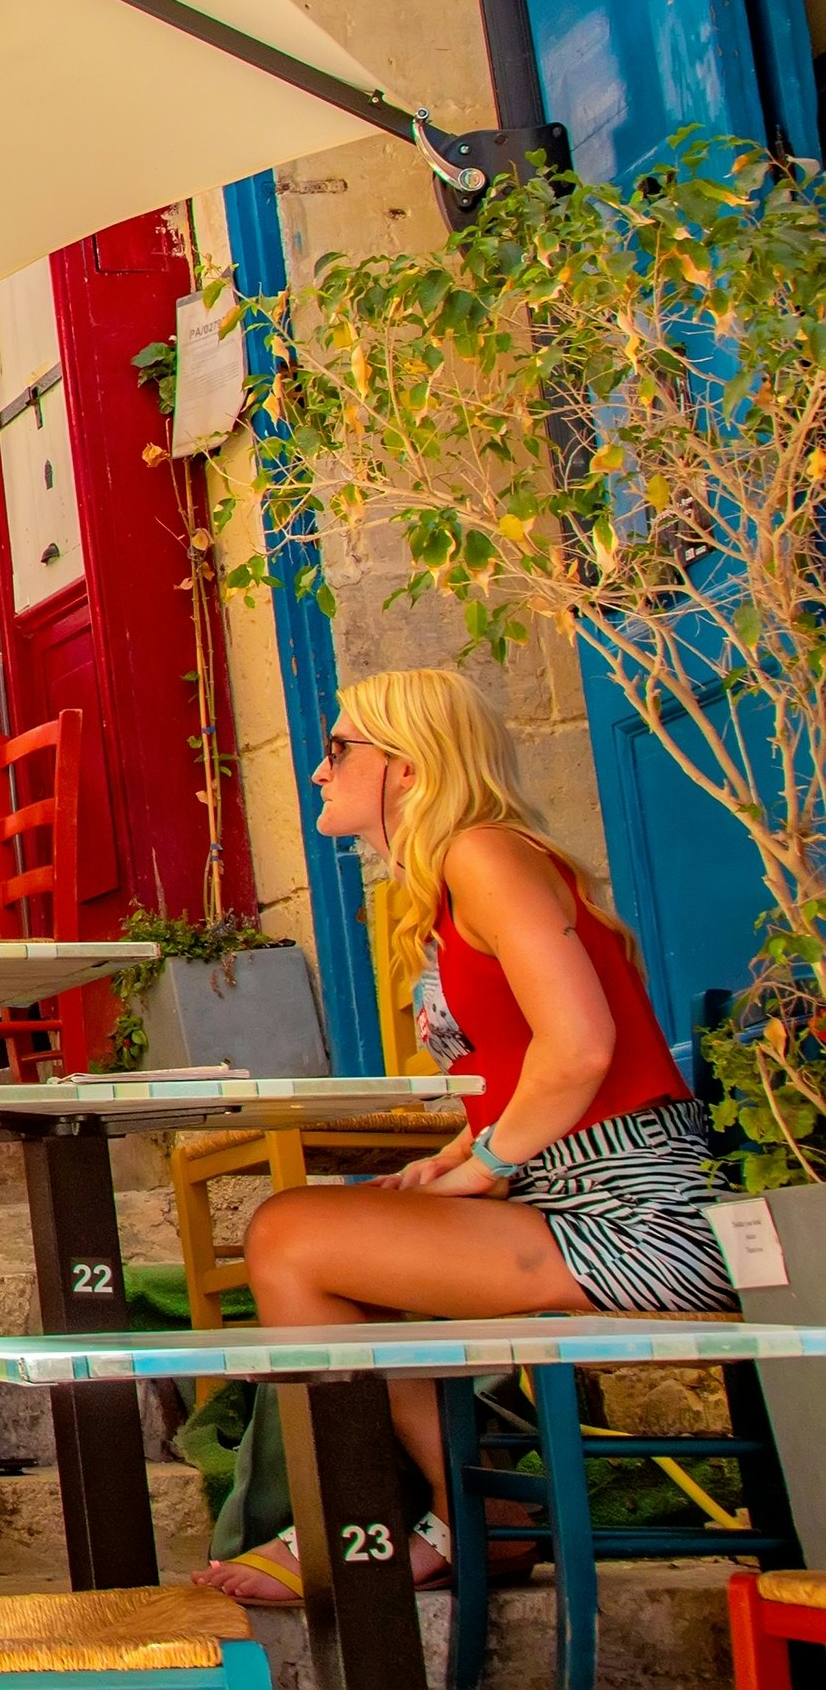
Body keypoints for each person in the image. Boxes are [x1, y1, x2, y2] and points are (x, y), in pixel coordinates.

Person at [195, 667, 738, 1605]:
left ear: (405, 767)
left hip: (635, 1213)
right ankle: (452, 1511)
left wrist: (486, 1165)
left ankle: (379, 1525)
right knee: (323, 1232)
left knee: (291, 1235)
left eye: (336, 750)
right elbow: (526, 1069)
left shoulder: (484, 854)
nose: (317, 774)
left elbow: (581, 1048)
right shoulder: (448, 882)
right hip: (564, 1197)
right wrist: (453, 1157)